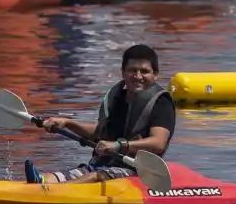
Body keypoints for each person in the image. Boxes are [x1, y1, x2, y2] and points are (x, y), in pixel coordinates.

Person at [18, 44, 176, 186]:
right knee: (61, 175)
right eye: (132, 70)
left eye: (144, 71)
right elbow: (101, 133)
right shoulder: (117, 98)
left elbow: (158, 142)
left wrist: (119, 145)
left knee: (97, 176)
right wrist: (67, 123)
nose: (138, 76)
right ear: (123, 72)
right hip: (104, 164)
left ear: (155, 75)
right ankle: (41, 183)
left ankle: (50, 192)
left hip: (138, 171)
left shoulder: (161, 103)